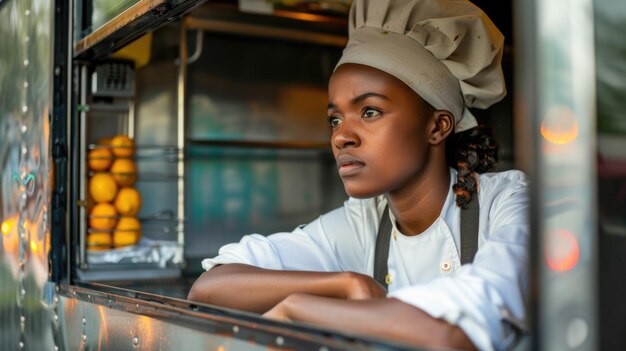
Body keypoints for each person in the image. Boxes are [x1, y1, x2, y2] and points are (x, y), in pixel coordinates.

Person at [188, 0, 528, 350]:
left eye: (369, 111)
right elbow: (210, 288)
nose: (340, 136)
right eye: (335, 119)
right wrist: (345, 284)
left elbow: (452, 336)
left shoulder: (510, 204)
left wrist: (298, 308)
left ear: (438, 126)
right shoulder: (365, 222)